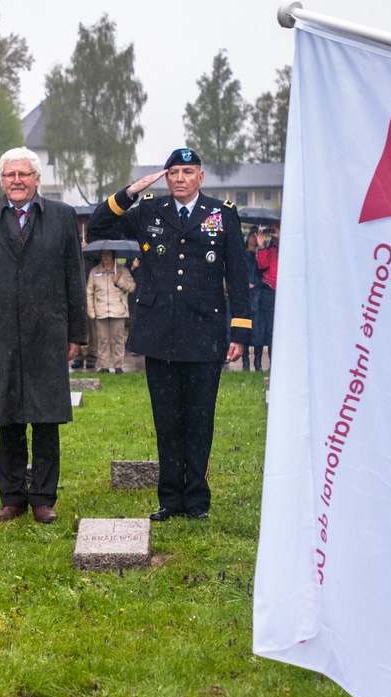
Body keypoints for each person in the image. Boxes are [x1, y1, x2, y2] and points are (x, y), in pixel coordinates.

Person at [87, 147, 251, 521]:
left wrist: (239, 330)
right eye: (173, 172)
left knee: (199, 419)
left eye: (187, 171)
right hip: (159, 331)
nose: (179, 178)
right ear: (165, 177)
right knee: (167, 420)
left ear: (200, 177)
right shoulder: (149, 210)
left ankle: (196, 500)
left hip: (204, 332)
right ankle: (170, 499)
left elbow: (238, 275)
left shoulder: (222, 214)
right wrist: (129, 192)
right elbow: (98, 227)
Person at [0, 146, 88, 524]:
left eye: (23, 174)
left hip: (47, 331)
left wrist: (76, 333)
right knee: (8, 417)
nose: (16, 181)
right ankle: (12, 496)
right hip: (1, 332)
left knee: (46, 417)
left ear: (37, 179)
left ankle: (43, 498)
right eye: (9, 175)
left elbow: (74, 277)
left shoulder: (62, 217)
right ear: (1, 180)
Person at [85, 249, 135, 373]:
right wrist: (91, 311)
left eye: (107, 254)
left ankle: (118, 366)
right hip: (101, 312)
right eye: (103, 254)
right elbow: (89, 292)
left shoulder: (122, 271)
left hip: (118, 311)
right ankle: (104, 366)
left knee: (118, 340)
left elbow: (132, 287)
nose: (104, 257)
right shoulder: (94, 271)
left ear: (113, 255)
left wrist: (119, 281)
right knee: (102, 340)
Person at [256, 222, 279, 368]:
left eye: (274, 228)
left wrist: (281, 238)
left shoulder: (288, 244)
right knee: (271, 329)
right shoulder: (268, 248)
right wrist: (260, 245)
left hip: (285, 290)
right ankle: (273, 363)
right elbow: (262, 265)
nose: (272, 231)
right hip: (270, 290)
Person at [242, 228, 265, 371]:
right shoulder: (241, 252)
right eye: (251, 236)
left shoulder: (261, 253)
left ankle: (258, 361)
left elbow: (264, 270)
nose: (252, 239)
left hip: (258, 293)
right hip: (244, 293)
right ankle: (245, 361)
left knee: (258, 329)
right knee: (243, 326)